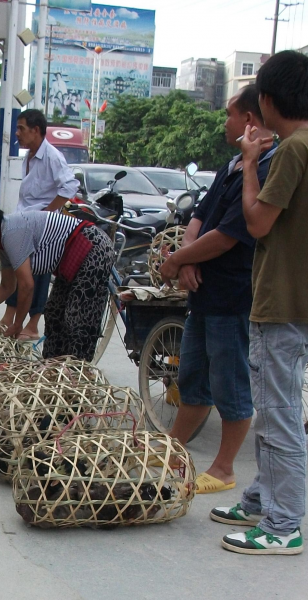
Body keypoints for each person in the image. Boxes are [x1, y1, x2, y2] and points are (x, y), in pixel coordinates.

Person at [212, 50, 308, 556]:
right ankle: (261, 498)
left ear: (268, 101)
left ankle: (283, 525)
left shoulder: (293, 150)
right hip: (297, 299)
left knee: (278, 415)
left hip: (283, 300)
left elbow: (257, 223)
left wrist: (250, 163)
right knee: (280, 408)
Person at [158, 85, 275, 495]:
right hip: (203, 293)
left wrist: (178, 260)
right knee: (192, 378)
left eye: (229, 114)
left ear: (248, 120)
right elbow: (201, 216)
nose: (223, 121)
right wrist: (188, 258)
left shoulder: (263, 167)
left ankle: (224, 468)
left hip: (233, 294)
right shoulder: (231, 166)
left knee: (230, 384)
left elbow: (229, 235)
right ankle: (172, 450)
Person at [0, 205, 113, 360]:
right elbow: (7, 287)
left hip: (92, 247)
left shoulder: (11, 233)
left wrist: (18, 323)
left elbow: (26, 285)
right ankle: (52, 367)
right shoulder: (4, 244)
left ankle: (76, 370)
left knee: (77, 316)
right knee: (54, 313)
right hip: (70, 260)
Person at [3, 108, 79, 339]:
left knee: (39, 272)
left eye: (21, 129)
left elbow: (69, 186)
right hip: (23, 220)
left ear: (36, 130)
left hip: (42, 225)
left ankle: (33, 324)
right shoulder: (29, 156)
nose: (17, 134)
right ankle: (11, 314)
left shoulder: (52, 156)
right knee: (18, 270)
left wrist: (47, 212)